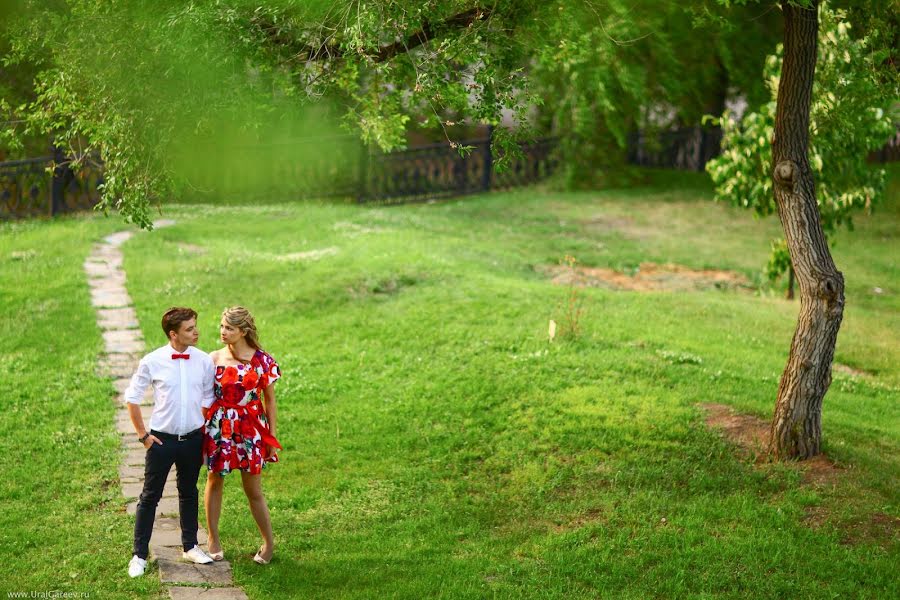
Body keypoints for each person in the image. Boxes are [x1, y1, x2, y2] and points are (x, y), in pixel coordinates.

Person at [125, 307, 216, 578]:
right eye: (189, 329)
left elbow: (209, 397)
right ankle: (139, 555)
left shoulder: (203, 360)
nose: (196, 331)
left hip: (192, 440)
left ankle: (190, 546)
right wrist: (144, 436)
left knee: (189, 492)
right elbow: (132, 397)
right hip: (161, 442)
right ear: (173, 334)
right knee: (150, 496)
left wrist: (198, 426)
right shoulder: (153, 361)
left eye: (195, 326)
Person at [203, 306, 282, 565]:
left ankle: (268, 542)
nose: (223, 332)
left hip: (251, 430)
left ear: (243, 331)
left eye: (229, 328)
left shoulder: (262, 361)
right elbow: (203, 397)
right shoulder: (213, 359)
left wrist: (272, 438)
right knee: (215, 479)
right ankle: (213, 538)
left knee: (253, 490)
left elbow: (270, 401)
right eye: (222, 326)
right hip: (220, 428)